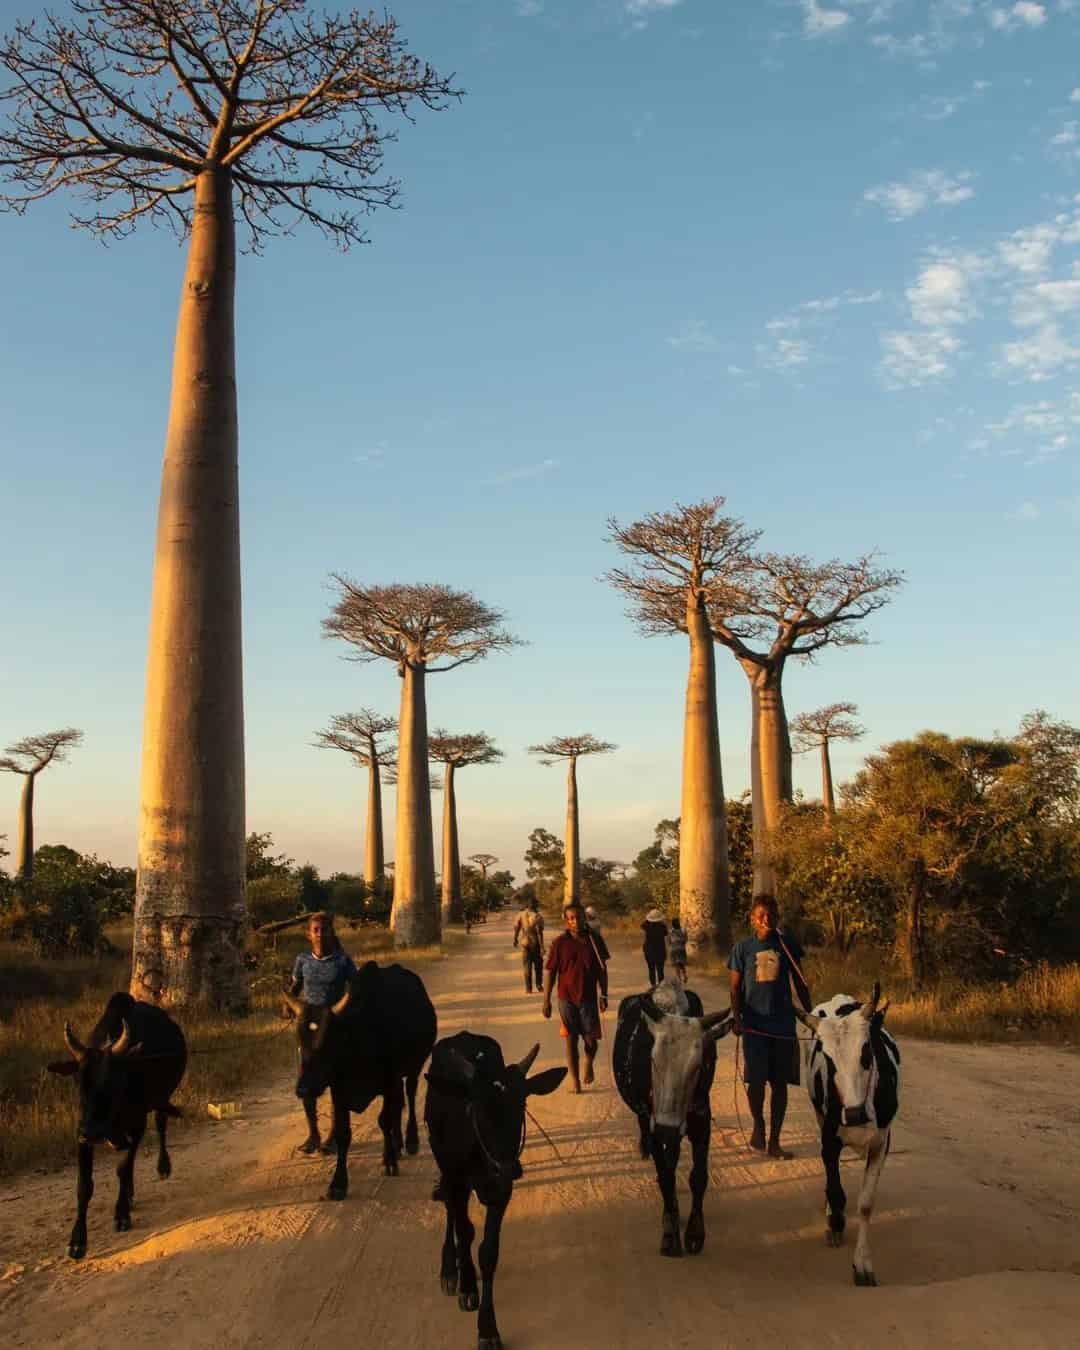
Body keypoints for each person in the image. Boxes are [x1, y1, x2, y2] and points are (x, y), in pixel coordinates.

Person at [727, 895, 811, 1160]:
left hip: (783, 1025)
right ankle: (758, 1126)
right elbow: (734, 987)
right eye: (761, 915)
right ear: (752, 918)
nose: (767, 920)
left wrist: (812, 1015)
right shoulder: (742, 949)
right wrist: (738, 1019)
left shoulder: (787, 945)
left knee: (780, 1084)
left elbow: (800, 982)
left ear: (778, 917)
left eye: (772, 915)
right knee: (757, 1082)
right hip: (754, 1026)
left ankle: (775, 1141)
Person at [287, 912, 357, 1154]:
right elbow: (295, 987)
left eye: (324, 929)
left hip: (334, 1029)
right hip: (309, 1028)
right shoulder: (302, 960)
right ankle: (313, 1134)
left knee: (337, 1084)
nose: (320, 933)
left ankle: (335, 1136)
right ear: (308, 934)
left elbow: (354, 988)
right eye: (315, 930)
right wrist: (287, 1003)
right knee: (308, 1081)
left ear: (331, 932)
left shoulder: (343, 961)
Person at [543, 902, 610, 1093]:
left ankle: (588, 1061)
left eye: (579, 917)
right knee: (571, 1040)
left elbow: (603, 971)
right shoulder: (559, 943)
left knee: (591, 1041)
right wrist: (546, 1000)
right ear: (566, 921)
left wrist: (604, 994)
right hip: (566, 998)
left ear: (584, 917)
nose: (576, 921)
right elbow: (551, 972)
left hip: (588, 998)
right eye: (571, 918)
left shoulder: (595, 941)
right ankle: (575, 1082)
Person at [513, 895, 546, 994]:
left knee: (527, 968)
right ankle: (539, 985)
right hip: (535, 944)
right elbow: (540, 933)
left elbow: (517, 928)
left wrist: (515, 939)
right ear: (535, 905)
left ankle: (528, 988)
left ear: (527, 905)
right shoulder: (538, 916)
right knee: (538, 967)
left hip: (525, 944)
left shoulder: (520, 914)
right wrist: (542, 947)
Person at [641, 907, 668, 986]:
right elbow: (666, 933)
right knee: (660, 970)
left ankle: (653, 986)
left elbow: (642, 925)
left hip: (649, 951)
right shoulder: (662, 927)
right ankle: (660, 986)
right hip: (660, 951)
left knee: (651, 969)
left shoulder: (647, 927)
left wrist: (648, 920)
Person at [668, 916, 688, 981]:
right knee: (681, 964)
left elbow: (669, 941)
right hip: (681, 949)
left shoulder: (670, 931)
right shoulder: (683, 930)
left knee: (676, 965)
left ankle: (679, 979)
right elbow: (685, 939)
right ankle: (684, 975)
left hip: (674, 950)